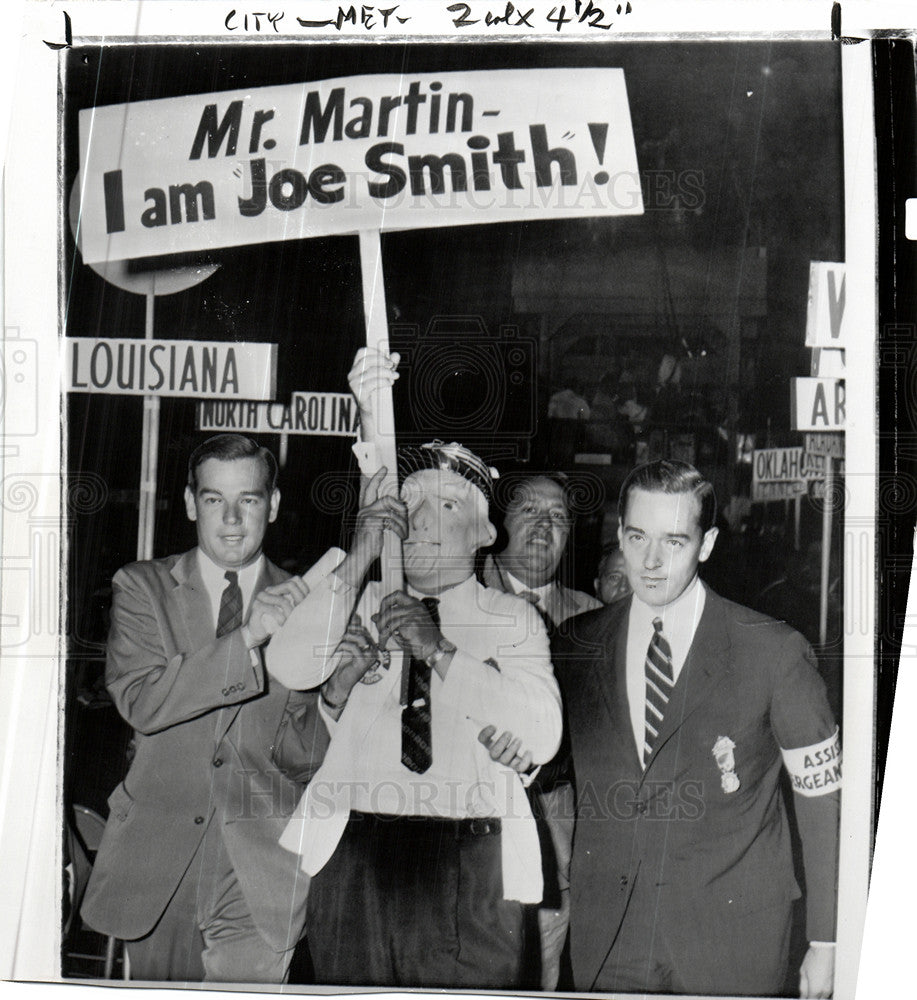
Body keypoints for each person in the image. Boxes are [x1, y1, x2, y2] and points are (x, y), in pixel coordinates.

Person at [266, 352, 562, 989]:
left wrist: (439, 652)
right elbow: (287, 662)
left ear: (486, 534)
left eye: (450, 507)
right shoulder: (360, 600)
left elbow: (543, 733)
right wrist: (364, 550)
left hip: (470, 860)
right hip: (355, 856)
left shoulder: (513, 620)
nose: (424, 517)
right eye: (413, 503)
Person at [552, 460, 840, 997]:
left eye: (675, 542)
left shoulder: (773, 650)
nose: (652, 561)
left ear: (706, 544)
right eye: (637, 537)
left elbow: (824, 803)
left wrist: (826, 941)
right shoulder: (575, 644)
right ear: (618, 535)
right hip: (609, 938)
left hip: (731, 941)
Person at [81, 434, 333, 983]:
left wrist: (337, 698)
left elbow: (304, 756)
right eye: (215, 499)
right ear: (193, 503)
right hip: (158, 860)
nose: (234, 518)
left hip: (259, 867)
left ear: (275, 504)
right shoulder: (142, 586)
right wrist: (250, 636)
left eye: (250, 499)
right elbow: (143, 700)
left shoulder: (308, 605)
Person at [481, 472, 600, 989]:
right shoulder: (453, 601)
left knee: (546, 972)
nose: (543, 526)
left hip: (559, 836)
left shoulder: (596, 620)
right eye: (529, 511)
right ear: (497, 524)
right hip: (475, 833)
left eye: (557, 518)